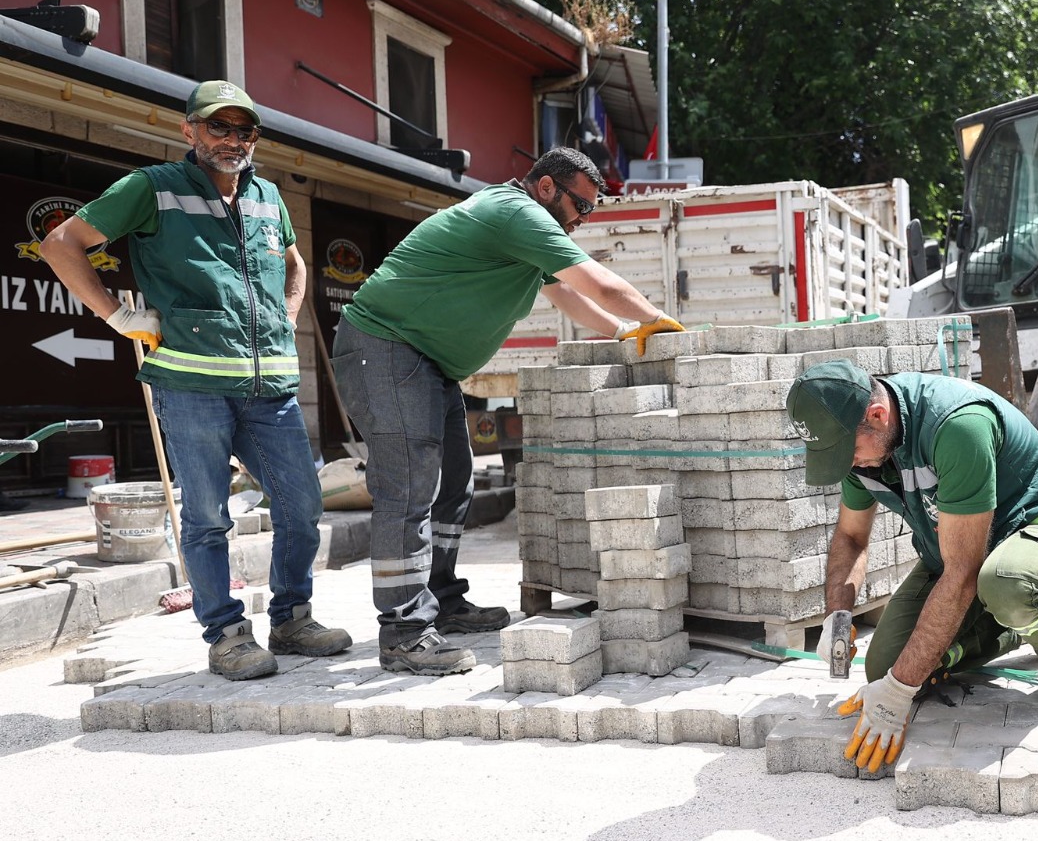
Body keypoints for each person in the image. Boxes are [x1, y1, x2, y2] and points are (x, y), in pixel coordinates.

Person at [39, 81, 351, 678]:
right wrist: (116, 315)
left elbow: (293, 261)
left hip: (271, 389)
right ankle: (227, 633)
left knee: (302, 506)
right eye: (218, 127)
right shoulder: (153, 188)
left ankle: (292, 619)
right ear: (189, 131)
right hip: (192, 385)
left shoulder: (267, 195)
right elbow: (61, 244)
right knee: (208, 517)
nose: (233, 140)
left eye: (244, 130)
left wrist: (286, 315)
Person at [331, 147, 683, 675]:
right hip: (384, 346)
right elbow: (597, 282)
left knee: (455, 484)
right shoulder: (515, 213)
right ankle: (404, 631)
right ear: (545, 189)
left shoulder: (522, 233)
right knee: (407, 488)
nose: (582, 220)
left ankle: (442, 601)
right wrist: (658, 318)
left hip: (423, 360)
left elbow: (564, 293)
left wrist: (620, 331)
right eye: (579, 207)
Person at [786, 361, 1038, 773]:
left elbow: (963, 574)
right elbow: (850, 537)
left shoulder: (957, 426)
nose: (850, 465)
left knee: (1005, 582)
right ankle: (1009, 626)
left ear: (877, 416)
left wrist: (899, 692)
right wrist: (838, 617)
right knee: (883, 667)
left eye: (849, 453)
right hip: (958, 549)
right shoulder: (861, 449)